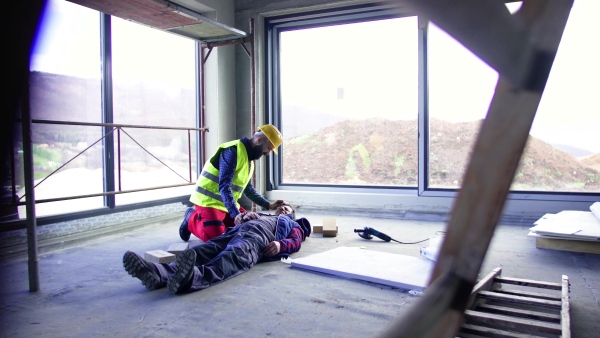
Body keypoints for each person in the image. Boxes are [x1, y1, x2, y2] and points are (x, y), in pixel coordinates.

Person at [124, 205, 310, 294]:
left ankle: (190, 279)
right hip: (236, 232)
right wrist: (244, 217)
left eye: (288, 209)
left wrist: (280, 245)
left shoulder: (292, 224)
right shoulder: (262, 214)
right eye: (282, 207)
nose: (283, 210)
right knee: (203, 249)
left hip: (257, 240)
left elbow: (295, 241)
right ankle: (158, 274)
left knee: (231, 258)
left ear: (293, 214)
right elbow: (238, 218)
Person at [179, 124, 288, 243]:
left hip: (226, 204)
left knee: (248, 227)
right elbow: (224, 187)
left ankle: (220, 222)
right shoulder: (232, 151)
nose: (268, 153)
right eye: (269, 148)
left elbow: (248, 189)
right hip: (208, 202)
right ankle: (190, 217)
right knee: (217, 240)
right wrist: (237, 215)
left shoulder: (248, 161)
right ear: (259, 140)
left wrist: (268, 205)